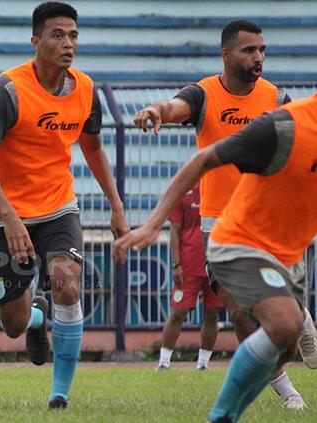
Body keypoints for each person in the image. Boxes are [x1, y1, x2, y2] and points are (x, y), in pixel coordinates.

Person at [133, 19, 311, 408]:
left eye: (262, 50)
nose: (259, 57)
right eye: (249, 50)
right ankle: (286, 391)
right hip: (221, 227)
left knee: (279, 327)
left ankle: (296, 316)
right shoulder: (204, 94)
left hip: (270, 224)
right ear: (226, 54)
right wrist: (156, 110)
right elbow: (175, 106)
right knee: (237, 310)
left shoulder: (277, 99)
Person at [0, 2, 128, 410]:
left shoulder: (87, 89)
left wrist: (116, 205)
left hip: (58, 207)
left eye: (73, 35)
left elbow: (92, 148)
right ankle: (37, 317)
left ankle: (60, 394)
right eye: (58, 35)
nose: (68, 43)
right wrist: (9, 218)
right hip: (4, 214)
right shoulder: (8, 89)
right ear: (36, 41)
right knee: (13, 324)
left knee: (67, 282)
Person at [157, 184, 223, 372]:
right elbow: (174, 231)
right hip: (188, 268)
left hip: (215, 266)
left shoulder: (220, 193)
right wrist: (176, 264)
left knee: (212, 315)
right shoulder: (185, 193)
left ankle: (202, 364)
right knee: (178, 312)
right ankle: (163, 362)